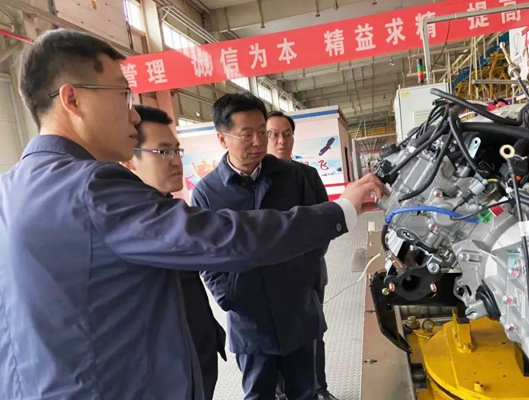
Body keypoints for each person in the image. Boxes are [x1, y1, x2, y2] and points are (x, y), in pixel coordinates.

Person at [0, 28, 385, 400]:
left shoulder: (10, 189)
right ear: (72, 99)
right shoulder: (91, 187)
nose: (133, 117)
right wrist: (342, 209)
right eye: (122, 95)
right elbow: (225, 237)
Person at [191, 93, 331, 400]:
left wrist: (302, 278)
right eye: (246, 135)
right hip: (250, 319)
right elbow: (206, 257)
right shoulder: (207, 193)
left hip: (297, 308)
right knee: (258, 394)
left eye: (261, 132)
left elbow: (318, 232)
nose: (258, 142)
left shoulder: (294, 177)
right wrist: (229, 296)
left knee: (305, 392)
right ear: (222, 138)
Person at [123, 104, 226, 400]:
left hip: (198, 351)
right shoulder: (129, 222)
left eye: (177, 151)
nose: (176, 161)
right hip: (166, 371)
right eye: (163, 152)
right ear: (129, 159)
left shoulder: (169, 208)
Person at [266, 111, 337, 400]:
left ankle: (319, 389)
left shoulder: (308, 176)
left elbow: (326, 222)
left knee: (314, 332)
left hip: (310, 272)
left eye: (287, 134)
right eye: (273, 134)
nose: (281, 141)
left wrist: (309, 260)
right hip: (269, 278)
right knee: (275, 337)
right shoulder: (256, 182)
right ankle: (281, 394)